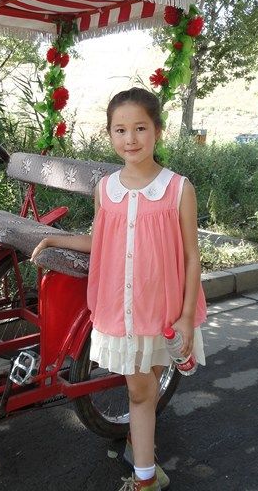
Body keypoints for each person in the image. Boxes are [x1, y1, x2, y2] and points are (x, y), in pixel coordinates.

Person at [31, 87, 207, 491]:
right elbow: (101, 241)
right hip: (122, 311)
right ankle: (144, 461)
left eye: (140, 128)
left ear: (158, 132)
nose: (131, 139)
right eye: (120, 129)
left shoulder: (179, 189)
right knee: (142, 392)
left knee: (143, 392)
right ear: (110, 134)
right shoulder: (106, 189)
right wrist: (55, 239)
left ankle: (145, 475)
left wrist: (184, 316)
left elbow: (192, 257)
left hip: (163, 311)